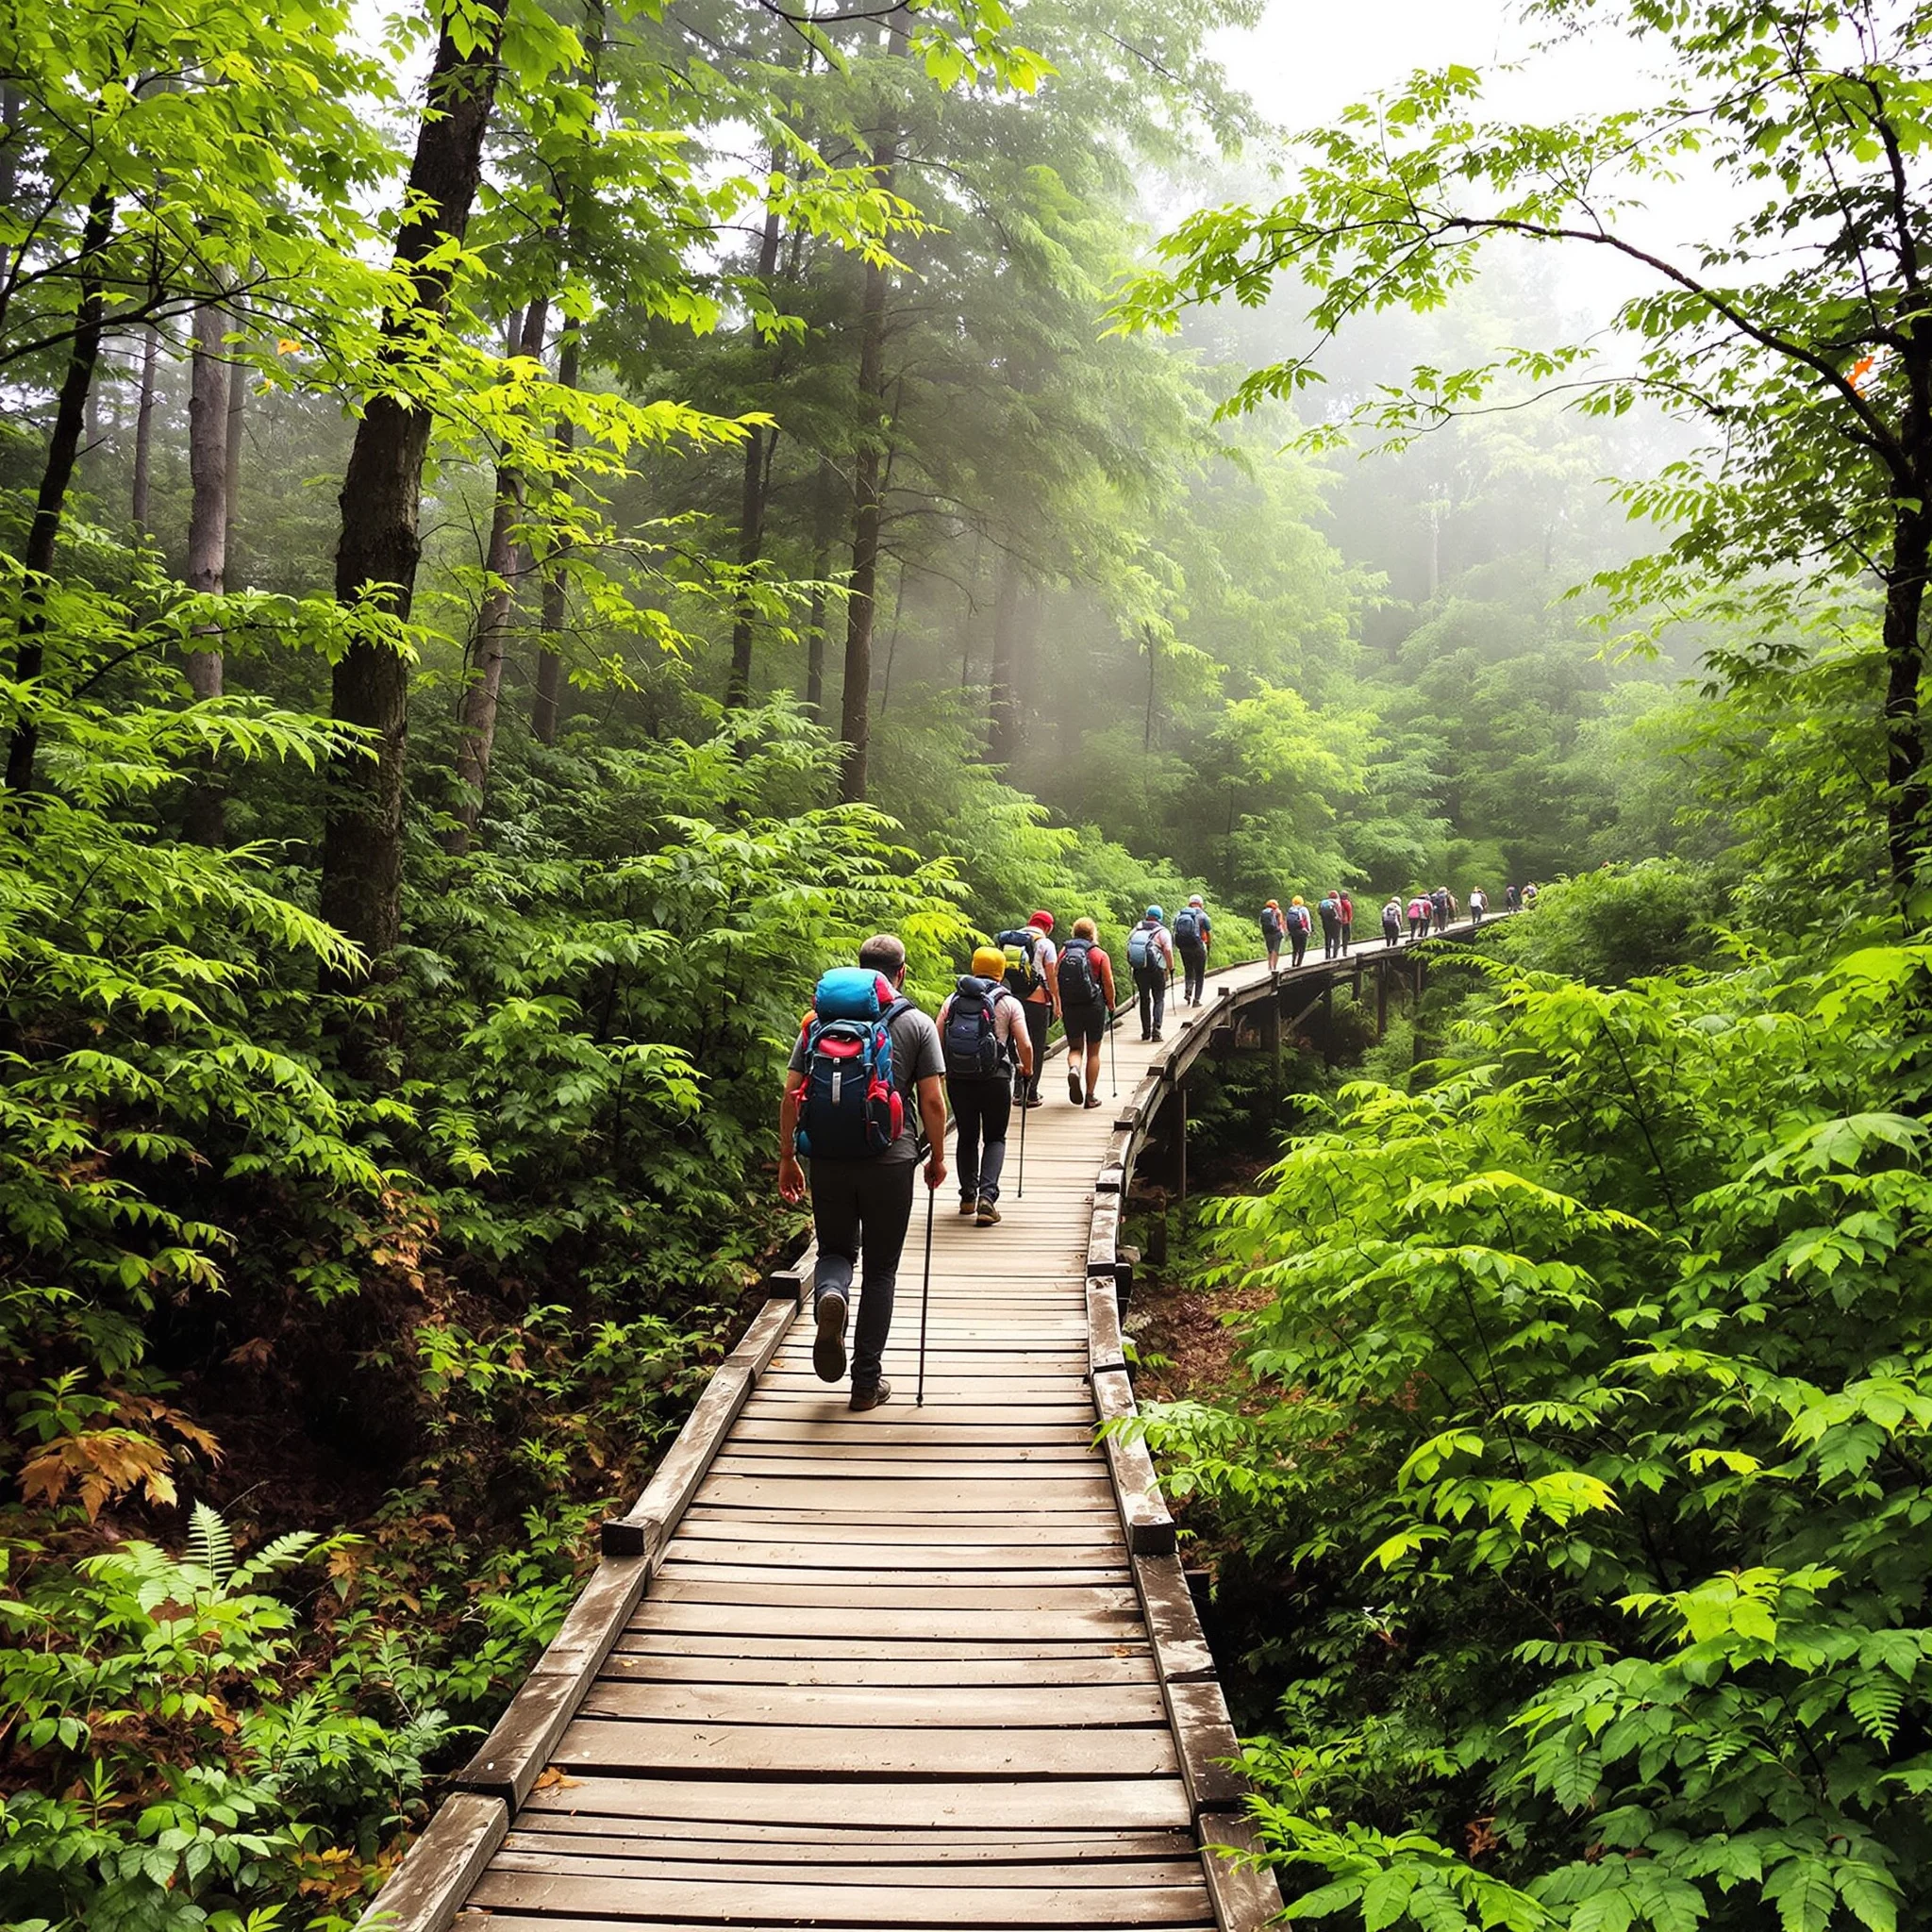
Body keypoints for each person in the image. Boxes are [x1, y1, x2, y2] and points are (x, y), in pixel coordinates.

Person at [777, 934, 947, 1412]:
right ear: (901, 973)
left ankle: (831, 1294)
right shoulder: (915, 1023)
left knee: (834, 1250)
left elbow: (792, 1095)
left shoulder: (816, 1023)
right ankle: (865, 1384)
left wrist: (788, 1157)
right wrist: (935, 1157)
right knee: (881, 1270)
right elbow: (932, 1101)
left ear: (861, 969)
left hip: (827, 1158)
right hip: (892, 1161)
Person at [937, 946, 1033, 1226]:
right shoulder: (1009, 1002)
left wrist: (943, 1070)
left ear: (973, 967)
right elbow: (1025, 1044)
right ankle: (987, 1198)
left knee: (967, 1136)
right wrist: (1028, 1069)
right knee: (995, 1138)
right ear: (1001, 972)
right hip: (996, 1078)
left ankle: (967, 1196)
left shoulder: (952, 1000)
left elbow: (937, 1034)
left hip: (959, 1078)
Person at [994, 911, 1058, 1108]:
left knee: (1013, 1044)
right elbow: (1051, 975)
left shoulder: (1011, 940)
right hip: (1036, 1000)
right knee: (1035, 1045)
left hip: (1011, 997)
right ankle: (1031, 1093)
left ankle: (1017, 1091)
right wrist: (1056, 1000)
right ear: (1048, 927)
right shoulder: (1046, 944)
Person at [1057, 918, 1118, 1108]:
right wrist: (1111, 1003)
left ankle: (1074, 1068)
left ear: (1074, 932)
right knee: (1093, 1052)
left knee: (1075, 1048)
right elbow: (1108, 983)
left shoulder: (1064, 952)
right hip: (1094, 1006)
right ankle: (1090, 1096)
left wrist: (1059, 1002)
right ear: (1093, 934)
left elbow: (1056, 975)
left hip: (1070, 1005)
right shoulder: (1099, 954)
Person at [1125, 906, 1174, 1041]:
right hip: (1157, 969)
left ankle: (1145, 1032)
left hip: (1140, 969)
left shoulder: (1136, 929)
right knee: (1159, 999)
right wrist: (1170, 968)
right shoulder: (1162, 932)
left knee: (1144, 999)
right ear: (1160, 917)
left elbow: (1129, 950)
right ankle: (1156, 1031)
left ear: (1147, 915)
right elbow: (1168, 951)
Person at [1174, 894, 1212, 1007]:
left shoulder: (1180, 914)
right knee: (1200, 974)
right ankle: (1196, 1000)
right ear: (1201, 904)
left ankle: (1188, 990)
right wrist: (1209, 945)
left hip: (1184, 947)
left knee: (1188, 970)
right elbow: (1209, 932)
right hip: (1198, 947)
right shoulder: (1203, 915)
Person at [1260, 899, 1285, 973]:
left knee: (1270, 950)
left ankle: (1269, 966)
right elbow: (1280, 922)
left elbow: (1261, 922)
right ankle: (1274, 967)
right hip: (1276, 932)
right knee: (1276, 950)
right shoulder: (1278, 912)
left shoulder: (1264, 912)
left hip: (1267, 933)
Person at [1286, 895, 1311, 968]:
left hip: (1293, 932)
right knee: (1302, 948)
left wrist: (1289, 931)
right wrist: (1309, 930)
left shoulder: (1291, 910)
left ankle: (1293, 963)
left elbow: (1288, 921)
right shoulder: (1304, 909)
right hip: (1303, 931)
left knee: (1295, 948)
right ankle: (1299, 964)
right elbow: (1308, 920)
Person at [1317, 890, 1342, 960]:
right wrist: (1340, 921)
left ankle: (1327, 955)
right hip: (1335, 923)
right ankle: (1334, 955)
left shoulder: (1323, 902)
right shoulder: (1337, 902)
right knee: (1336, 939)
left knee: (1327, 938)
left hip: (1326, 923)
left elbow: (1319, 912)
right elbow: (1339, 913)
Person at [1338, 890, 1354, 954]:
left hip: (1338, 921)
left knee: (1338, 935)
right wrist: (1349, 920)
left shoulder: (1338, 903)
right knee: (1346, 935)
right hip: (1345, 921)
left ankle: (1336, 947)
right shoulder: (1347, 903)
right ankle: (1345, 950)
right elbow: (1349, 913)